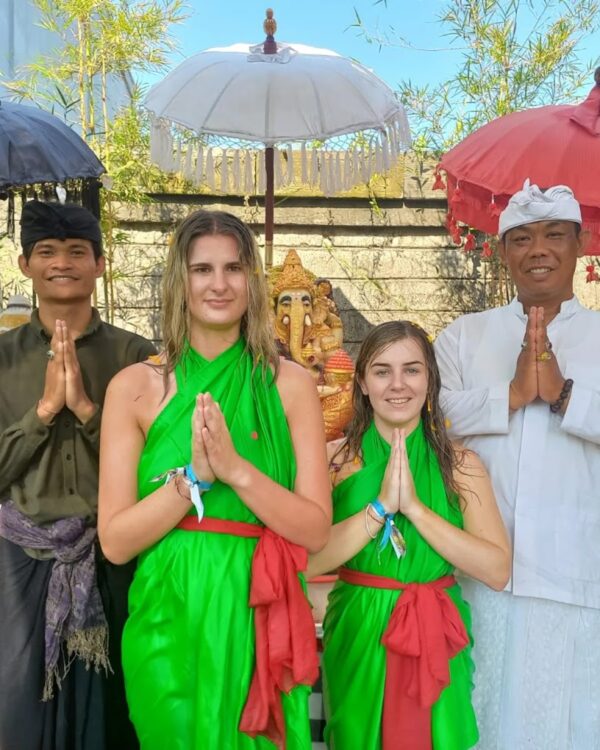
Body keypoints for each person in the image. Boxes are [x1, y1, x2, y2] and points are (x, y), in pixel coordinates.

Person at [98, 209, 331, 750]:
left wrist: (235, 471)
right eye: (203, 269)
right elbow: (115, 541)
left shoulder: (290, 384)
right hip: (167, 611)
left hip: (258, 609)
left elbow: (316, 530)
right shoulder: (135, 388)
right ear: (181, 282)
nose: (219, 284)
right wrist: (193, 481)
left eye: (234, 268)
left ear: (254, 281)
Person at [434, 180, 600, 750]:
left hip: (578, 575)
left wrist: (562, 395)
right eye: (522, 238)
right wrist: (507, 395)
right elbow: (427, 421)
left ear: (579, 246)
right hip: (481, 575)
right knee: (481, 724)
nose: (539, 250)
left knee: (570, 726)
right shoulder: (462, 336)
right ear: (503, 252)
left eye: (555, 235)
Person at [308, 320, 510, 750]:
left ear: (430, 379)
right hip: (360, 630)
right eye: (382, 371)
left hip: (436, 628)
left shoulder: (461, 465)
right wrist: (378, 510)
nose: (397, 385)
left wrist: (415, 509)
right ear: (361, 382)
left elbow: (496, 570)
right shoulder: (332, 462)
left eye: (412, 370)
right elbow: (304, 563)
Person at [0, 200, 156, 750]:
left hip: (112, 554)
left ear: (100, 264)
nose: (61, 263)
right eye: (46, 252)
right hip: (20, 564)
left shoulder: (138, 359)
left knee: (113, 715)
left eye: (76, 252)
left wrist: (91, 411)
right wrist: (42, 413)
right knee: (19, 716)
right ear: (24, 264)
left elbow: (157, 469)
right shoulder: (2, 358)